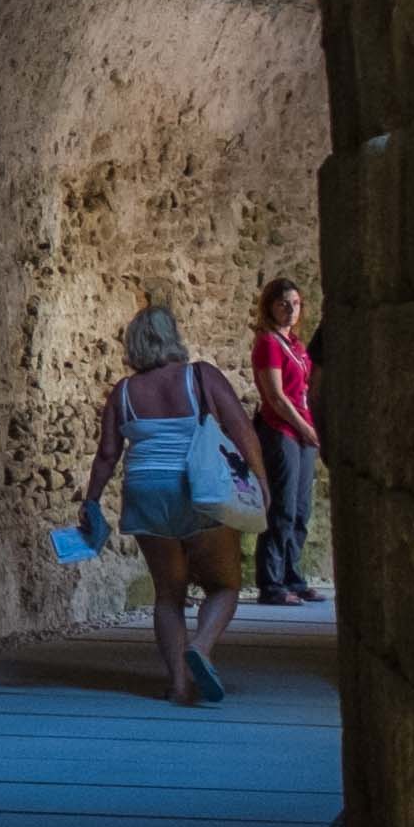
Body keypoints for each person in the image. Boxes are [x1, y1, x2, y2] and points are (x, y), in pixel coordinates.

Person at [71, 301, 262, 704]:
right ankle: (201, 646)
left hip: (145, 491)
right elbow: (242, 430)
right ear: (172, 336)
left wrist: (91, 501)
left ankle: (178, 684)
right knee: (225, 584)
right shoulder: (200, 377)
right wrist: (261, 483)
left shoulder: (123, 392)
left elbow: (107, 454)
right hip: (198, 489)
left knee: (167, 594)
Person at [250, 275, 322, 603]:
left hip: (303, 431)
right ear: (270, 307)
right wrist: (305, 429)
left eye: (295, 303)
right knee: (282, 507)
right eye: (283, 304)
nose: (290, 310)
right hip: (282, 431)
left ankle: (293, 575)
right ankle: (271, 582)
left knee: (301, 509)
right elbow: (276, 397)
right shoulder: (267, 343)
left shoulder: (297, 345)